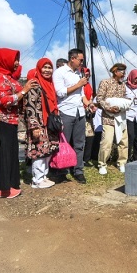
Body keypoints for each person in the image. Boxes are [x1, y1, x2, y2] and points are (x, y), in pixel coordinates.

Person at [0, 48, 37, 198]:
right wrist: (24, 91)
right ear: (3, 60)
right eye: (14, 60)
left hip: (10, 120)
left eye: (17, 60)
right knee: (4, 154)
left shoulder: (7, 77)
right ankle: (2, 189)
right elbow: (5, 101)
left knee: (8, 153)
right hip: (2, 121)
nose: (17, 63)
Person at [52, 49, 89, 183]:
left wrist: (89, 104)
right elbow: (60, 92)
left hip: (80, 112)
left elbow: (81, 94)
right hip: (66, 111)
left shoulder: (79, 73)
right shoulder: (59, 72)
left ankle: (78, 170)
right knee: (64, 143)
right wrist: (78, 84)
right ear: (72, 58)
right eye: (80, 60)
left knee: (79, 143)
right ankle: (62, 170)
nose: (82, 63)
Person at [23, 58, 60, 189]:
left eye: (50, 68)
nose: (47, 70)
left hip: (49, 124)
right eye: (44, 67)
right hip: (39, 124)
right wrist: (34, 126)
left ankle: (43, 176)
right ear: (39, 68)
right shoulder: (34, 84)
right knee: (39, 152)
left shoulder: (50, 84)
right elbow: (30, 107)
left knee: (47, 151)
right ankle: (37, 180)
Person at [97, 63, 131, 174]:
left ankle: (122, 163)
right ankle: (102, 164)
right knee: (107, 141)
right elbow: (99, 99)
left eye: (124, 72)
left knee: (123, 141)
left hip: (121, 117)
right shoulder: (105, 82)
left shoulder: (123, 85)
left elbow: (124, 99)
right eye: (122, 72)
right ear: (115, 72)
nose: (124, 74)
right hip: (108, 117)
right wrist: (109, 108)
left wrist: (124, 105)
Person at [81, 67, 98, 166]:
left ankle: (86, 159)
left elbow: (90, 98)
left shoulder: (88, 86)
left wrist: (91, 107)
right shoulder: (78, 85)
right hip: (80, 113)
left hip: (88, 114)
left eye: (88, 75)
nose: (87, 77)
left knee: (90, 136)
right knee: (81, 137)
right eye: (85, 75)